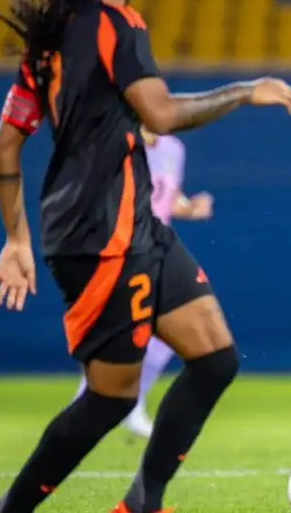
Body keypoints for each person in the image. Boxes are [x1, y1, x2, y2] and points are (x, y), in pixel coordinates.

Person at [0, 0, 291, 512]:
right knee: (110, 398)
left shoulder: (48, 40)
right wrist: (244, 90)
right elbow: (162, 113)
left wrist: (15, 239)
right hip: (101, 234)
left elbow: (4, 145)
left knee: (214, 356)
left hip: (134, 226)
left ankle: (141, 503)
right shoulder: (117, 25)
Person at [72, 128, 214, 439]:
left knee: (170, 332)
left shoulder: (173, 149)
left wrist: (189, 207)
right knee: (118, 331)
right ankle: (84, 404)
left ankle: (130, 403)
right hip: (119, 249)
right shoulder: (117, 145)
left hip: (158, 250)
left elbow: (164, 198)